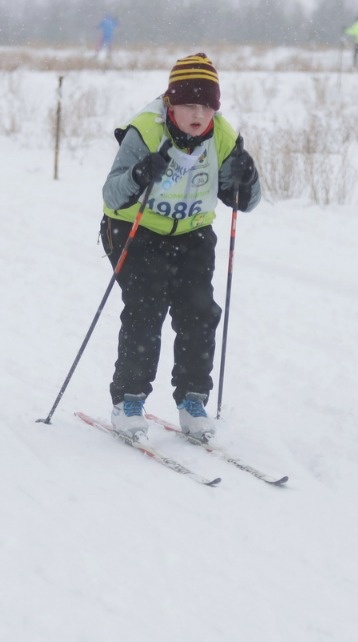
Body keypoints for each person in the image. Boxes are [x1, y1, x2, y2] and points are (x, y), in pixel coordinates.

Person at [100, 53, 261, 443]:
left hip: (192, 233)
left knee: (198, 312)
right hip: (134, 230)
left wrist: (247, 178)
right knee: (146, 306)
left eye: (206, 106)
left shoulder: (223, 137)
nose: (198, 114)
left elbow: (244, 200)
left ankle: (193, 400)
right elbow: (112, 193)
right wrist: (140, 174)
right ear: (171, 103)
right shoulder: (146, 131)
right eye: (189, 104)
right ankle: (129, 401)